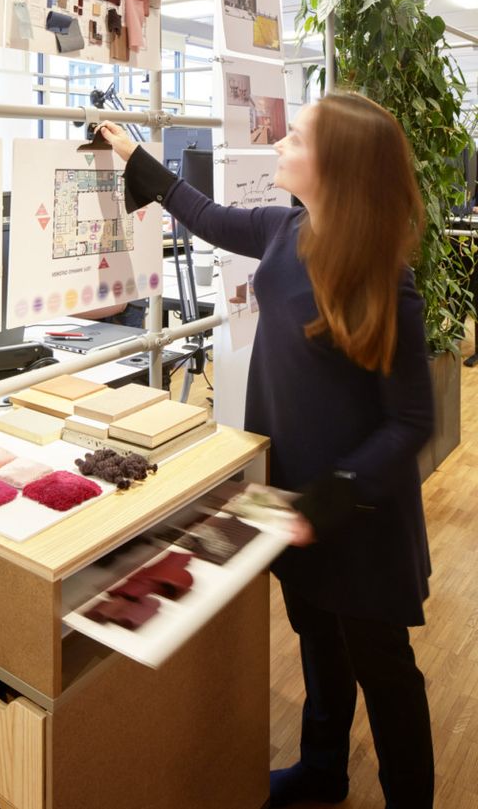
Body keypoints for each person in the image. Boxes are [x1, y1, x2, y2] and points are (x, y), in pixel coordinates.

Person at [99, 92, 434, 809]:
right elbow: (207, 216)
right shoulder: (283, 230)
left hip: (357, 515)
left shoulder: (385, 278)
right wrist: (131, 154)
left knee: (383, 665)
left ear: (336, 166)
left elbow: (411, 420)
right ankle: (323, 769)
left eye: (299, 136)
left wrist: (331, 495)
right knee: (316, 633)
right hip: (287, 499)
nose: (280, 140)